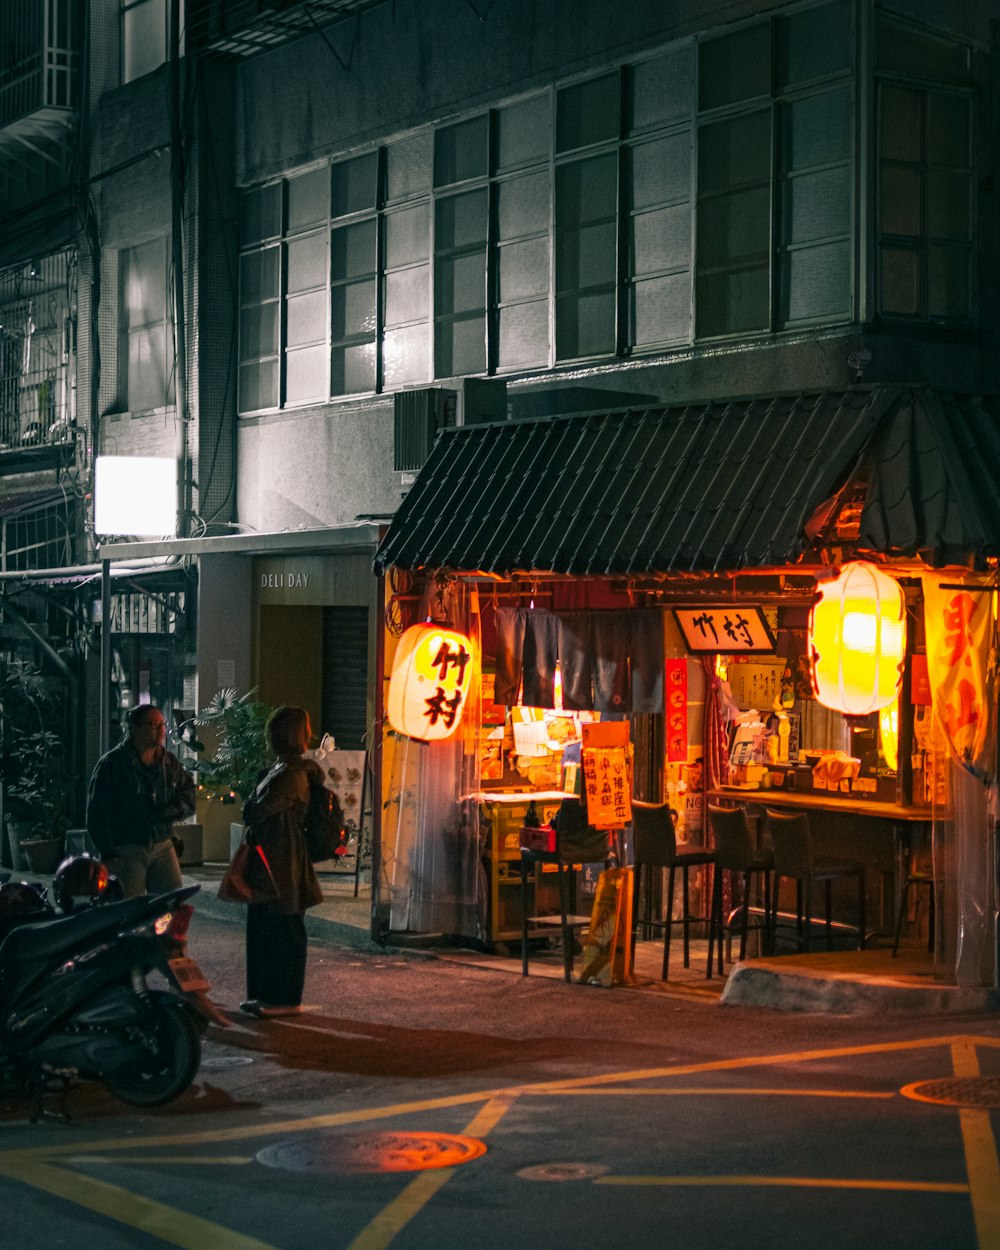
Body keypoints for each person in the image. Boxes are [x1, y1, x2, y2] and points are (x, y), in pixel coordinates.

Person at [239, 705, 324, 1019]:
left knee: (282, 927)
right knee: (268, 926)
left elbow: (255, 811)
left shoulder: (291, 774)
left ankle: (283, 997)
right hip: (275, 856)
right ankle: (266, 995)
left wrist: (252, 802)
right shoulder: (286, 770)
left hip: (282, 858)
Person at [86, 704, 195, 898]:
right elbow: (97, 813)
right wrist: (108, 852)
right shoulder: (113, 764)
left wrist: (177, 808)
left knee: (171, 903)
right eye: (153, 724)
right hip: (127, 848)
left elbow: (187, 792)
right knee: (129, 908)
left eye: (162, 723)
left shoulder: (168, 762)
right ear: (135, 728)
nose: (161, 730)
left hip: (163, 844)